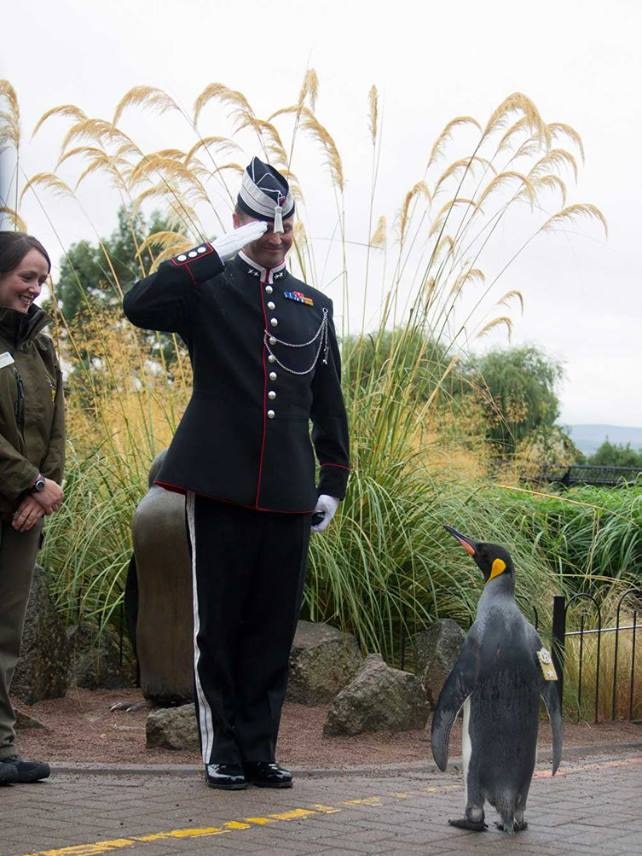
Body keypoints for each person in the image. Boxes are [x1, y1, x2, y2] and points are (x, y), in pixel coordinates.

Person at [123, 157, 350, 790]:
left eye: (285, 225)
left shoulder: (314, 306)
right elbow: (139, 304)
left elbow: (328, 404)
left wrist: (332, 480)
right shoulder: (206, 286)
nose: (276, 236)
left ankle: (259, 748)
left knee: (271, 629)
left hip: (286, 490)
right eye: (262, 224)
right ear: (240, 221)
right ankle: (221, 749)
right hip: (220, 483)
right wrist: (219, 249)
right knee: (217, 626)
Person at [0, 232, 65, 785]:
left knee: (5, 634)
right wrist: (30, 481)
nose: (35, 287)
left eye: (41, 278)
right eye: (26, 276)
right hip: (14, 491)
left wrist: (46, 491)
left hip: (24, 508)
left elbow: (56, 421)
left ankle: (0, 751)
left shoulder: (38, 341)